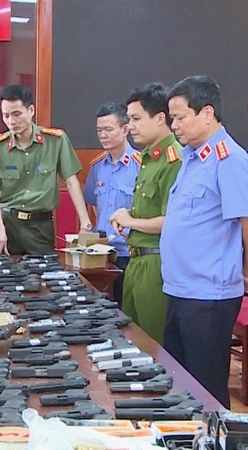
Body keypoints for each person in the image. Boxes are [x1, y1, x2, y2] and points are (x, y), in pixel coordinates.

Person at [162, 75, 248, 408]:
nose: (174, 125)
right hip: (180, 288)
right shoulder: (192, 158)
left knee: (206, 390)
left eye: (180, 117)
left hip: (208, 295)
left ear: (207, 113)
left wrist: (245, 270)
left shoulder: (228, 159)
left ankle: (216, 440)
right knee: (178, 386)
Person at [109, 83, 182, 344]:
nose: (130, 126)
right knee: (132, 341)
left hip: (156, 262)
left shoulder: (174, 159)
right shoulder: (149, 158)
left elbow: (171, 220)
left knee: (154, 344)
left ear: (160, 118)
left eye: (136, 119)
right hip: (136, 259)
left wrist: (130, 220)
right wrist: (126, 213)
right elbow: (149, 208)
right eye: (129, 119)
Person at [0, 85, 92, 256]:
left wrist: (85, 223)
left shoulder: (55, 141)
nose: (11, 121)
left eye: (17, 114)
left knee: (45, 271)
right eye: (6, 116)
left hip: (40, 226)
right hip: (8, 225)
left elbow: (72, 183)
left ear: (31, 110)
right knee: (5, 270)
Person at [83, 102, 139, 307]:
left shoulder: (140, 165)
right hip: (100, 253)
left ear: (125, 129)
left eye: (108, 129)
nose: (102, 135)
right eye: (99, 130)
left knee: (126, 310)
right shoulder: (97, 167)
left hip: (128, 253)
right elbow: (93, 205)